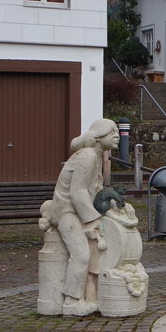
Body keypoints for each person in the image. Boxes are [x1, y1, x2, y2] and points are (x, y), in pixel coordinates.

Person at [48, 118, 119, 312]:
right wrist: (94, 220)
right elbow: (77, 193)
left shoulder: (96, 157)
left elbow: (93, 191)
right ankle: (71, 302)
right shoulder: (88, 155)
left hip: (78, 211)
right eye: (112, 132)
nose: (117, 136)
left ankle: (90, 295)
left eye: (117, 133)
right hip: (66, 211)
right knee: (81, 255)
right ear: (98, 136)